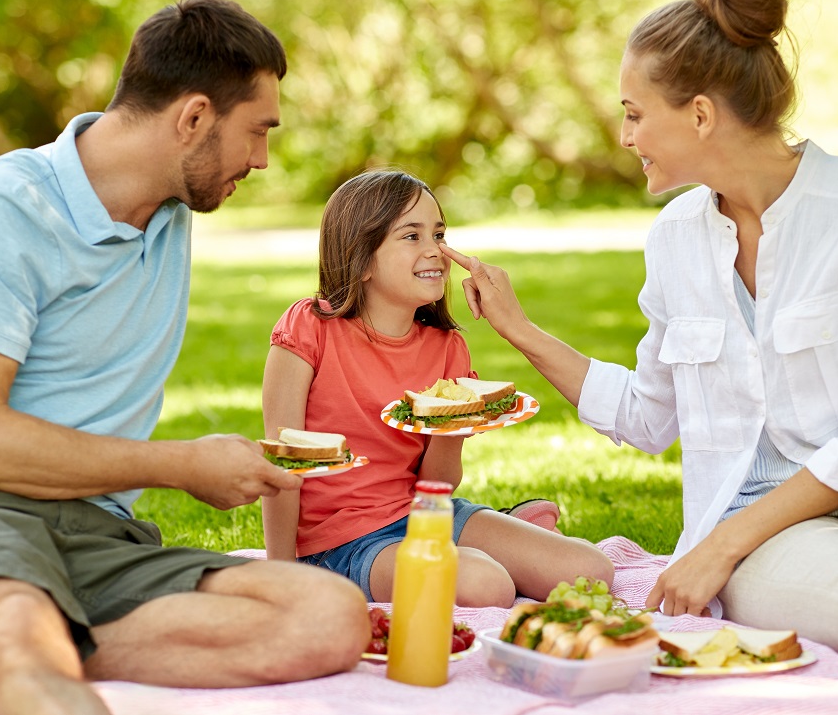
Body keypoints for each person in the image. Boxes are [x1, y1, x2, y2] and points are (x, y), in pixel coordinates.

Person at [439, 0, 838, 714]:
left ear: (703, 116)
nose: (624, 135)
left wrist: (718, 542)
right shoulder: (675, 238)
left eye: (635, 114)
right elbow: (648, 416)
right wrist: (518, 329)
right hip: (766, 546)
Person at [0, 0, 369, 715]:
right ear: (193, 118)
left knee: (330, 616)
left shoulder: (169, 208)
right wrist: (183, 464)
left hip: (96, 528)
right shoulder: (3, 208)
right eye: (257, 131)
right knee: (27, 651)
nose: (262, 160)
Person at [260, 169, 614, 607]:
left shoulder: (447, 347)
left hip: (424, 513)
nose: (437, 251)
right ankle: (491, 550)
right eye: (412, 236)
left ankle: (497, 538)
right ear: (362, 257)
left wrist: (453, 429)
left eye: (440, 233)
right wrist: (280, 574)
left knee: (591, 571)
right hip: (343, 542)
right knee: (486, 585)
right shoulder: (310, 326)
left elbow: (438, 485)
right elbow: (281, 462)